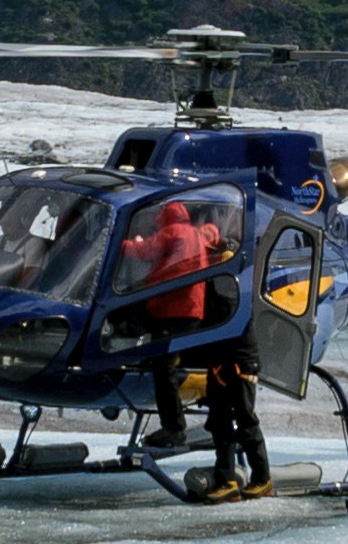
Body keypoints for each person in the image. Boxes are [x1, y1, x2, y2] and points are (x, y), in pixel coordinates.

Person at [114, 190, 267, 495]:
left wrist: (120, 242)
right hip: (212, 349)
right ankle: (229, 478)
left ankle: (178, 430)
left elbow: (141, 253)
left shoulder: (173, 234)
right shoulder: (203, 241)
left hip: (211, 346)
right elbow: (210, 233)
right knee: (223, 421)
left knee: (166, 368)